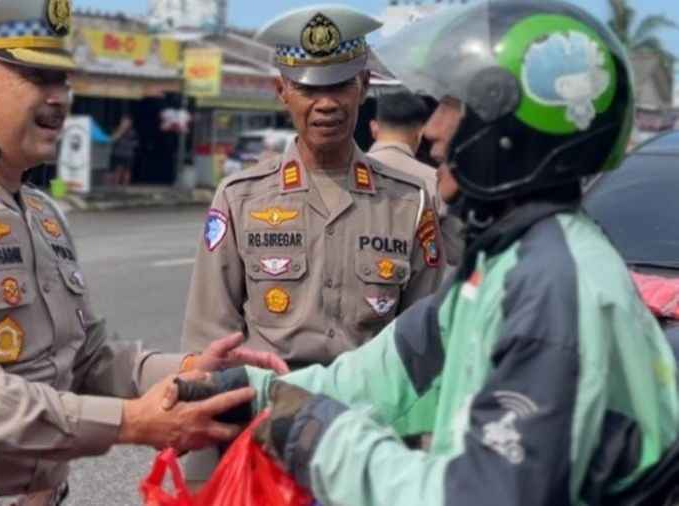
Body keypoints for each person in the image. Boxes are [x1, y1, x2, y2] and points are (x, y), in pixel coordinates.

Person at [177, 1, 679, 504]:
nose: (432, 132)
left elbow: (483, 496)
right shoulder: (506, 267)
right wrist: (250, 389)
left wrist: (317, 433)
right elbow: (386, 372)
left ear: (508, 128)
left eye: (452, 106)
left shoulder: (553, 290)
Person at [0, 1, 287, 505]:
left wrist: (189, 369)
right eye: (39, 77)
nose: (60, 99)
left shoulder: (39, 212)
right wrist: (132, 423)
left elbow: (87, 357)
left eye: (64, 81)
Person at [179, 4, 446, 484]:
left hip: (370, 445)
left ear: (364, 87)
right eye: (308, 88)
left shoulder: (410, 203)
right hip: (266, 443)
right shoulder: (240, 199)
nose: (326, 103)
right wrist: (204, 480)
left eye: (339, 85)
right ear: (281, 91)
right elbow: (208, 342)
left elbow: (424, 353)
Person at [368, 89, 465, 267]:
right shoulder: (438, 182)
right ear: (420, 134)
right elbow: (457, 253)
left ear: (374, 128)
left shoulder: (339, 175)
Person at [110, 114, 137, 186]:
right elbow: (112, 140)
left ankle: (125, 185)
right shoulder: (116, 129)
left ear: (130, 123)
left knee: (127, 171)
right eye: (124, 121)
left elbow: (136, 143)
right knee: (117, 170)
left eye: (127, 122)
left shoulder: (133, 132)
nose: (126, 123)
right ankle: (115, 185)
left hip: (128, 154)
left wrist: (129, 145)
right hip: (118, 153)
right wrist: (121, 131)